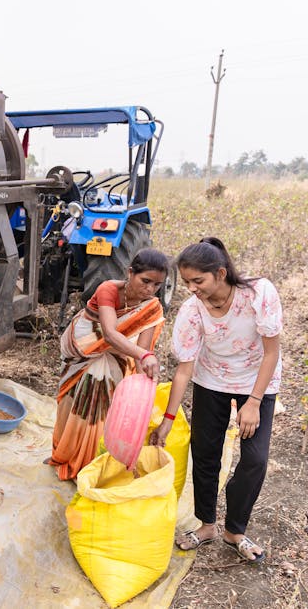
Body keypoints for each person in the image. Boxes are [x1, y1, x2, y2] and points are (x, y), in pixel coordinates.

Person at [149, 237, 282, 564]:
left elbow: (272, 352)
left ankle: (234, 531)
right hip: (212, 381)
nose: (192, 288)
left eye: (199, 281)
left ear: (220, 273)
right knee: (205, 454)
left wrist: (253, 401)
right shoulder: (193, 311)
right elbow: (183, 371)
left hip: (257, 380)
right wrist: (168, 419)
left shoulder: (258, 294)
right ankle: (207, 525)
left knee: (255, 460)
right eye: (187, 281)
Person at [47, 247, 168, 480]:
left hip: (116, 358)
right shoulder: (108, 289)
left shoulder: (151, 308)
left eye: (157, 285)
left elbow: (142, 353)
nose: (150, 289)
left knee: (102, 407)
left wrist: (143, 391)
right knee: (71, 401)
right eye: (145, 281)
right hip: (82, 349)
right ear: (130, 272)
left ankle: (89, 463)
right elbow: (110, 334)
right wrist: (143, 356)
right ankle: (64, 453)